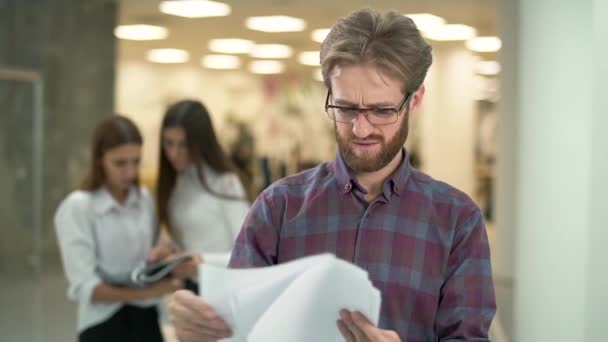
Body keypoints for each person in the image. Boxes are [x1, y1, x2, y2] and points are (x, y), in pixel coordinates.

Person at [169, 9, 496, 342]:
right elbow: (238, 329)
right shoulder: (278, 208)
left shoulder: (458, 220)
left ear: (415, 101)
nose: (361, 128)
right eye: (346, 108)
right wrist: (201, 332)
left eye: (382, 110)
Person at [54, 115, 182, 342]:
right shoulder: (78, 207)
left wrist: (160, 256)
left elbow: (146, 263)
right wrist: (147, 293)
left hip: (147, 320)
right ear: (99, 159)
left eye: (136, 161)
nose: (130, 173)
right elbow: (86, 288)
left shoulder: (144, 199)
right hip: (103, 323)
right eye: (120, 163)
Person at [154, 100, 250, 287]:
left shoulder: (225, 183)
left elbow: (248, 253)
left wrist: (204, 261)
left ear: (201, 143)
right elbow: (188, 240)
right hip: (190, 288)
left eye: (183, 144)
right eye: (169, 143)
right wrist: (168, 251)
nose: (174, 153)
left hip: (223, 288)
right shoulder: (175, 183)